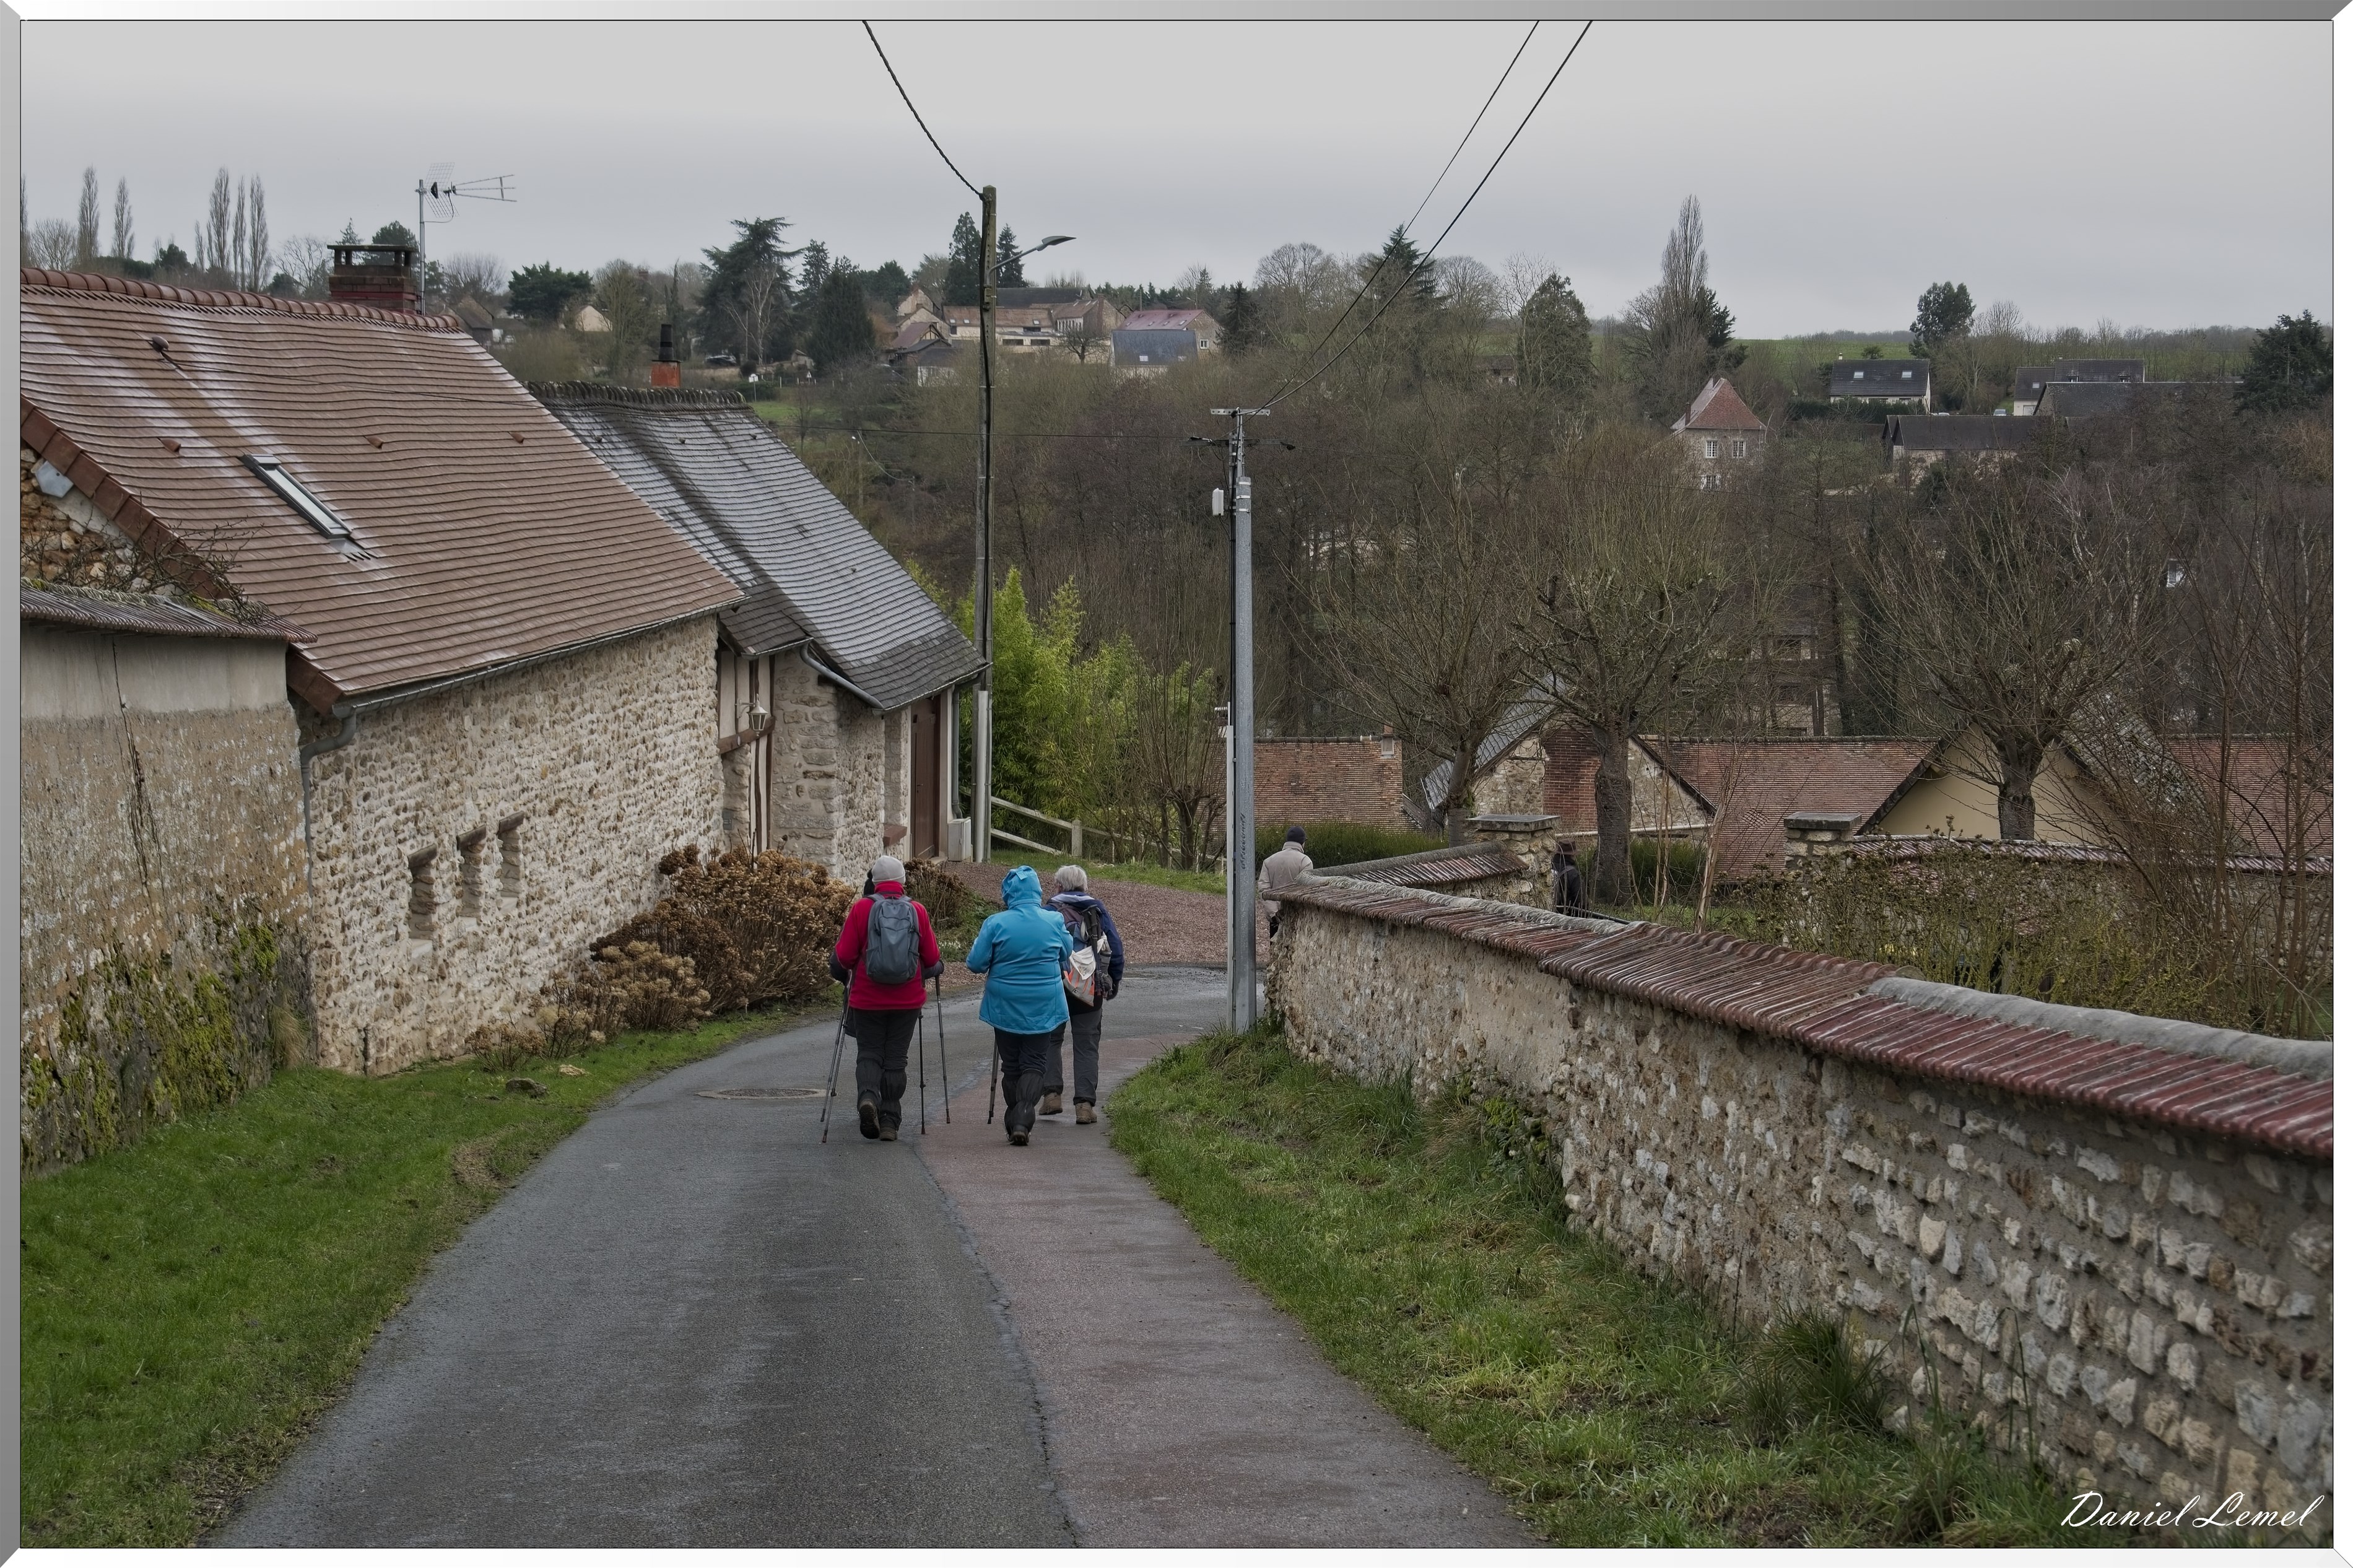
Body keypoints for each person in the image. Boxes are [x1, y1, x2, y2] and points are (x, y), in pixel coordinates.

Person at [829, 855, 944, 1141]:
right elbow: (932, 958)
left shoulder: (862, 909)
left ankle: (868, 1097)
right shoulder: (917, 910)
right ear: (903, 881)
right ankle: (890, 1121)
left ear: (875, 881)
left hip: (867, 999)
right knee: (896, 1058)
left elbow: (844, 957)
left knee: (869, 1053)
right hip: (907, 1000)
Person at [964, 864, 1074, 1147]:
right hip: (1044, 1005)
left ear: (1008, 894)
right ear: (1037, 891)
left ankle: (1015, 1116)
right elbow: (1067, 951)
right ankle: (1023, 1117)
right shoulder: (1054, 921)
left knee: (1011, 1065)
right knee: (1035, 1063)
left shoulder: (995, 923)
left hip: (1005, 1006)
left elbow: (975, 963)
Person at [1040, 865, 1124, 1125]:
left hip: (1055, 984)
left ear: (1059, 886)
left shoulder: (1048, 912)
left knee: (1051, 1039)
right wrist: (1113, 983)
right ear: (1084, 886)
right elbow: (1116, 948)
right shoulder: (1096, 910)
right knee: (1086, 1043)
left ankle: (1052, 1096)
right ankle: (1085, 1106)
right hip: (1090, 986)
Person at [1258, 825, 1313, 942]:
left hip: (1275, 918)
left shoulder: (1269, 861)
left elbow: (1264, 890)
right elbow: (1305, 891)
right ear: (1303, 842)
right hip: (1298, 918)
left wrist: (1274, 914)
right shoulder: (1305, 862)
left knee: (1275, 948)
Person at [1552, 839, 1587, 918]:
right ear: (1572, 856)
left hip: (1551, 914)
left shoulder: (1548, 868)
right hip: (1569, 916)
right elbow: (1582, 902)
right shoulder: (1574, 874)